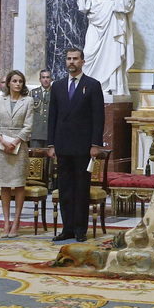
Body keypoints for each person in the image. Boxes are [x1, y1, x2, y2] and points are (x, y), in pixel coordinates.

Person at [47, 48, 104, 243]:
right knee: (65, 189)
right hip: (62, 145)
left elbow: (98, 118)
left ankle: (80, 229)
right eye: (69, 59)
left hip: (83, 146)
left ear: (82, 62)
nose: (71, 62)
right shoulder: (58, 86)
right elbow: (52, 117)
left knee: (81, 189)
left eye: (75, 59)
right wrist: (51, 144)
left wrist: (96, 144)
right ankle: (67, 228)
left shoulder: (93, 85)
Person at [76, 0, 135, 96]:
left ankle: (111, 86)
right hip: (95, 24)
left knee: (111, 54)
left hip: (112, 25)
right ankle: (89, 86)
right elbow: (81, 4)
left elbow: (129, 1)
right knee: (89, 51)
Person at [0, 70, 33, 238]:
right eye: (14, 81)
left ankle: (16, 222)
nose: (17, 84)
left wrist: (15, 141)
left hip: (19, 146)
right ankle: (6, 222)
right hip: (2, 147)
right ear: (8, 83)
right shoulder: (0, 100)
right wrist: (2, 140)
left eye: (20, 81)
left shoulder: (28, 101)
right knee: (5, 185)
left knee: (19, 184)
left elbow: (28, 125)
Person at [29, 69, 52, 148]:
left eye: (47, 77)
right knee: (35, 158)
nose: (45, 80)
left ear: (51, 79)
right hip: (36, 132)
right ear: (40, 79)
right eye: (43, 77)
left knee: (50, 159)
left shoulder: (56, 93)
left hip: (50, 133)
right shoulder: (32, 93)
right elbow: (28, 113)